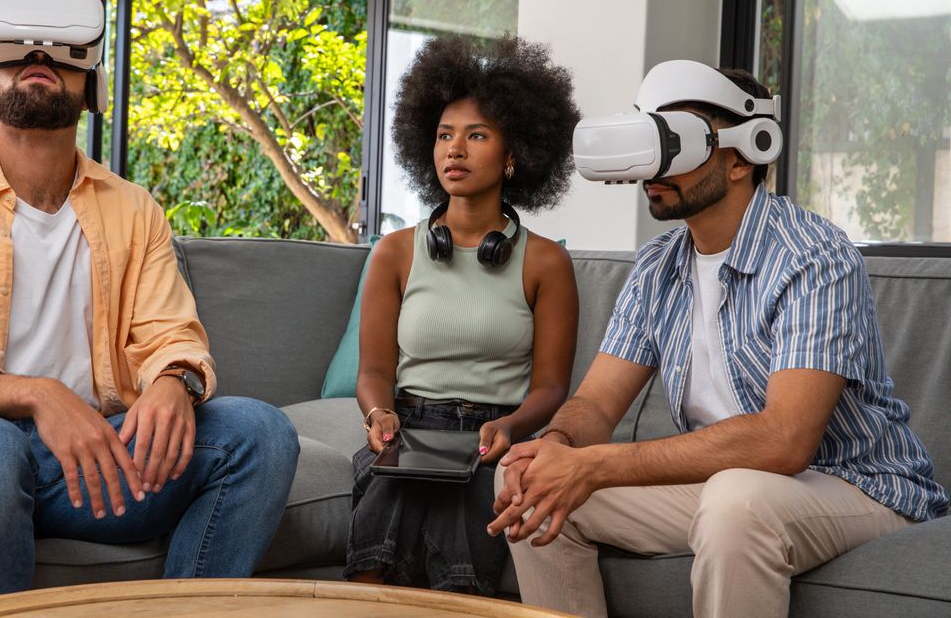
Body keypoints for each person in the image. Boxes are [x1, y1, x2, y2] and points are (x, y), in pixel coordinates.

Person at [0, 0, 299, 605]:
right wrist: (39, 395)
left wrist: (175, 381)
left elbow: (170, 335)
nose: (38, 61)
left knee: (260, 432)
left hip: (89, 462)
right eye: (17, 53)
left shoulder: (134, 210)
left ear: (93, 84)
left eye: (60, 54)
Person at [489, 61, 948, 618]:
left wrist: (598, 465)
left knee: (736, 503)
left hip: (853, 483)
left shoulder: (813, 256)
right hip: (726, 483)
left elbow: (784, 441)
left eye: (674, 143)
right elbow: (597, 403)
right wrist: (561, 446)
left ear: (741, 158)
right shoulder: (658, 265)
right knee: (527, 484)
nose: (654, 168)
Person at [345, 34, 581, 595]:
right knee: (386, 514)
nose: (455, 149)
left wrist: (510, 428)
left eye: (477, 135)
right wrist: (379, 414)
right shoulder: (395, 252)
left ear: (513, 153)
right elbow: (373, 371)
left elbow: (551, 387)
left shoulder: (547, 262)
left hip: (494, 436)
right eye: (444, 135)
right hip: (407, 428)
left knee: (468, 529)